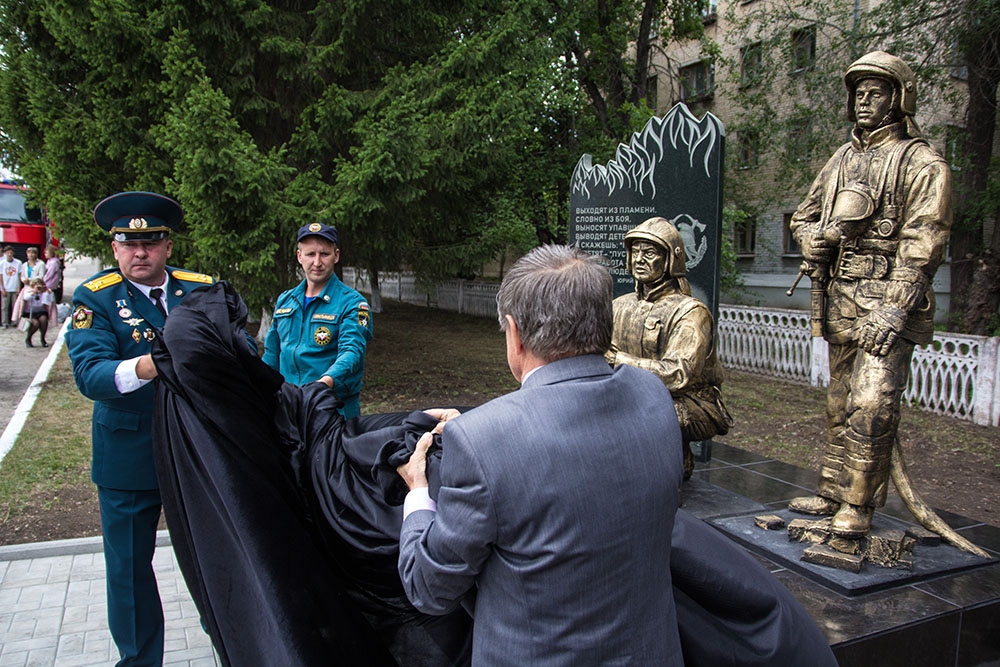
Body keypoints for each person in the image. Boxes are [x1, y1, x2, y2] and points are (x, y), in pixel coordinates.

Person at [396, 245, 687, 665]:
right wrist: (482, 426)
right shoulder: (653, 396)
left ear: (514, 333)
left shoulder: (483, 441)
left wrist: (418, 494)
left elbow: (428, 587)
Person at [787, 51, 952, 539]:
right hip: (841, 295)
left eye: (875, 91)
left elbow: (925, 242)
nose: (863, 99)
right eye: (857, 91)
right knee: (839, 401)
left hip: (887, 302)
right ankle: (834, 488)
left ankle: (858, 504)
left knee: (873, 402)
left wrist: (895, 308)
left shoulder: (923, 163)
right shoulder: (841, 158)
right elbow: (803, 215)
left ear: (899, 99)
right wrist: (809, 238)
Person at [65, 191, 216, 667]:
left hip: (198, 452)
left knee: (218, 560)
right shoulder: (95, 297)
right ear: (115, 248)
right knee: (129, 573)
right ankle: (139, 661)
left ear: (167, 247)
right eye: (128, 243)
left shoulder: (200, 290)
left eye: (150, 242)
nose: (139, 253)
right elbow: (91, 376)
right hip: (129, 458)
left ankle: (235, 644)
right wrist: (151, 364)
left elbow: (238, 354)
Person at [605, 216, 733, 479]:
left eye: (649, 252)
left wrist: (619, 360)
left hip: (689, 403)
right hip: (631, 394)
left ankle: (667, 476)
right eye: (635, 252)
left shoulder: (691, 312)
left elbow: (678, 374)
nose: (640, 259)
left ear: (670, 259)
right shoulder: (619, 305)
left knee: (647, 413)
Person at [263, 222, 372, 418]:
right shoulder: (285, 300)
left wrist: (322, 385)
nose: (317, 262)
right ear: (299, 257)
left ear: (336, 256)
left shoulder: (353, 304)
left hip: (333, 410)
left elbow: (352, 353)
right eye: (310, 254)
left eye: (324, 254)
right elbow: (272, 353)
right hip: (289, 409)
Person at [14, 277, 57, 347]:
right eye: (37, 286)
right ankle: (28, 338)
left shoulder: (45, 292)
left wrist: (47, 293)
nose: (39, 288)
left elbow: (48, 302)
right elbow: (25, 298)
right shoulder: (28, 291)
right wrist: (34, 292)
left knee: (43, 320)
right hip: (30, 312)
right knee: (35, 324)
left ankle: (42, 338)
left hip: (41, 311)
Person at [1, 245, 22, 328]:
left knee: (15, 306)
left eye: (11, 252)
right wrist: (2, 288)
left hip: (14, 287)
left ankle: (15, 322)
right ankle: (4, 322)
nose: (9, 254)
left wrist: (19, 287)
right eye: (8, 252)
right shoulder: (2, 263)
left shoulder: (18, 263)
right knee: (4, 307)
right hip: (6, 287)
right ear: (5, 253)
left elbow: (19, 275)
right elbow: (1, 276)